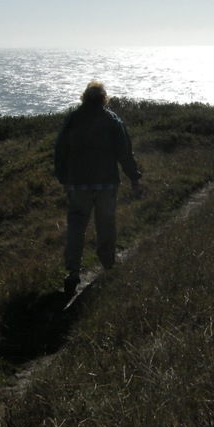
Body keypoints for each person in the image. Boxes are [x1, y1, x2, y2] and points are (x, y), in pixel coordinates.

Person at [54, 80, 142, 294]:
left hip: (78, 183)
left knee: (76, 226)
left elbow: (60, 149)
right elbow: (124, 151)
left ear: (84, 97)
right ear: (104, 98)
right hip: (107, 184)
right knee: (106, 223)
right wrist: (134, 177)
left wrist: (63, 178)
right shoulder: (112, 120)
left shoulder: (73, 119)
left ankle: (73, 272)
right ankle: (108, 264)